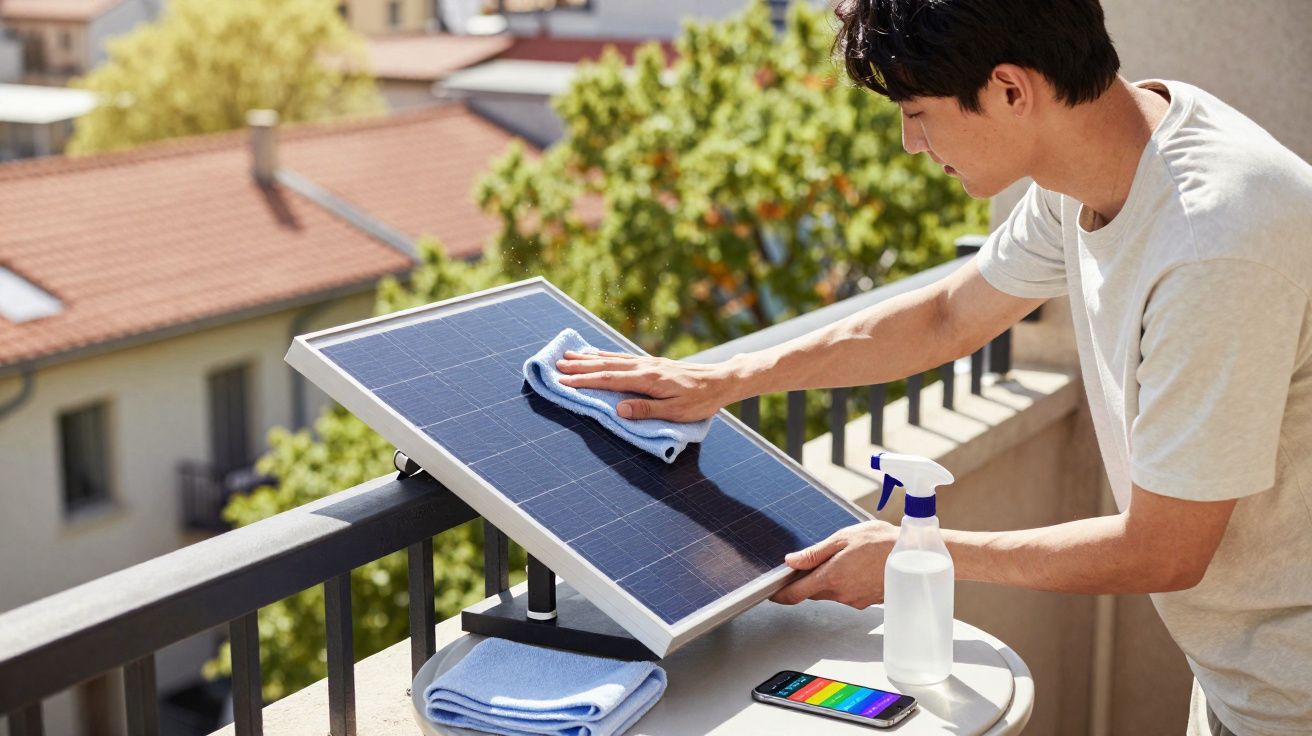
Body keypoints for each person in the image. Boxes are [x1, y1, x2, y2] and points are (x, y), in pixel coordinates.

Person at [554, 1, 1312, 734]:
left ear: (1011, 89)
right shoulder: (1099, 164)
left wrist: (911, 555)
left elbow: (1165, 549)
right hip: (1238, 677)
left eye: (917, 113)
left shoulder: (1215, 242)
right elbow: (949, 316)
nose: (912, 144)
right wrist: (726, 378)